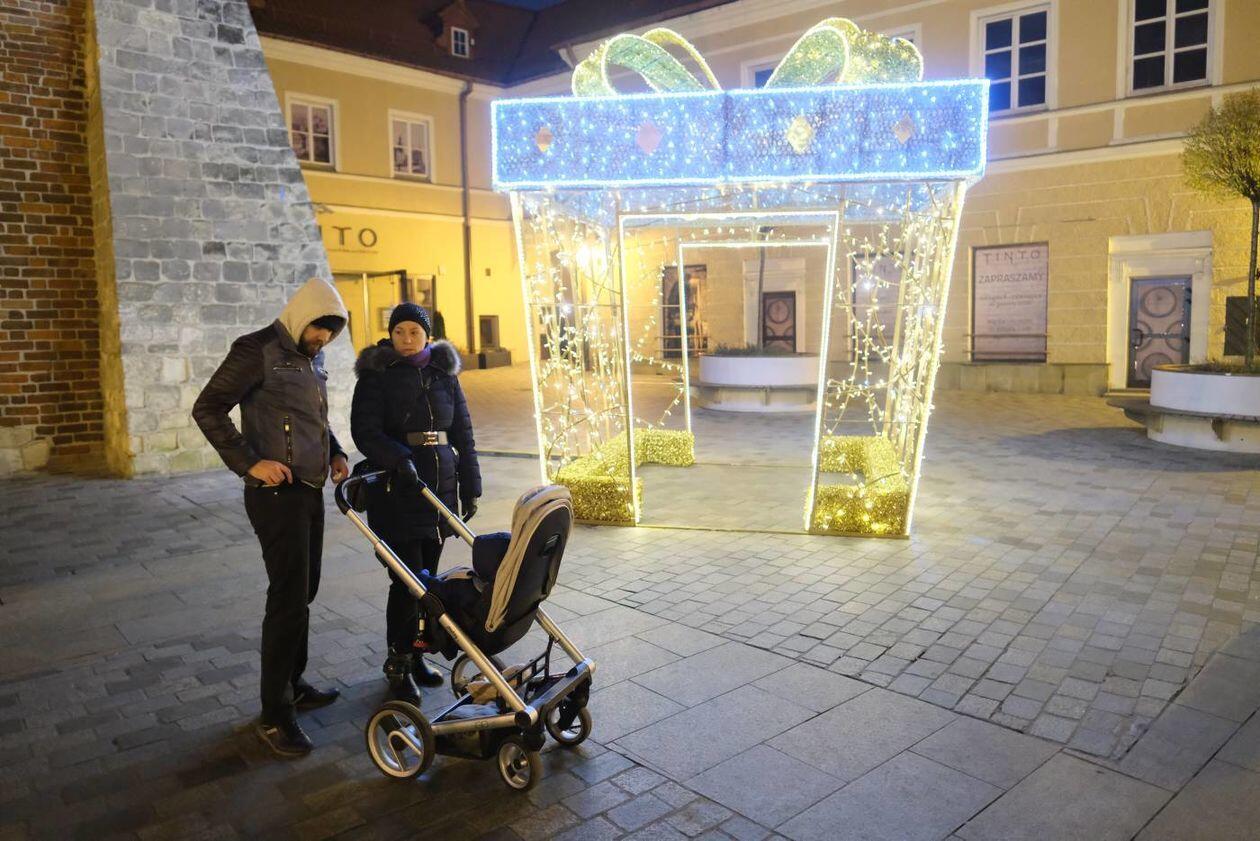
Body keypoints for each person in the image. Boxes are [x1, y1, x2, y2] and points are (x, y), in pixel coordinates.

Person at [192, 277, 351, 759]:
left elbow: (313, 418)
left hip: (310, 489)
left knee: (304, 592)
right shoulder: (256, 349)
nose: (323, 339)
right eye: (318, 330)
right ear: (301, 318)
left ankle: (293, 685)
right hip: (275, 495)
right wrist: (249, 462)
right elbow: (208, 407)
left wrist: (336, 450)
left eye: (331, 334)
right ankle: (274, 714)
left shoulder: (311, 357)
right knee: (287, 599)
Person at [351, 302, 481, 703]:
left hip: (438, 488)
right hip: (398, 490)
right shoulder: (376, 375)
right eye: (399, 332)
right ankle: (398, 662)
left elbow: (463, 432)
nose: (406, 339)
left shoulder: (444, 374)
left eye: (414, 332)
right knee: (406, 582)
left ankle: (419, 653)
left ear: (428, 336)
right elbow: (365, 431)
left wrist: (470, 485)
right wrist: (398, 458)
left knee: (429, 582)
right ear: (390, 335)